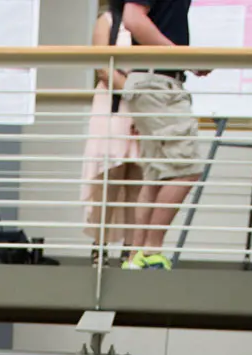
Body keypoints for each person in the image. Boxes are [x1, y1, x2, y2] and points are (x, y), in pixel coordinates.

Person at [118, 0, 206, 271]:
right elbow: (132, 17)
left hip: (154, 80)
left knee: (156, 175)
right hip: (157, 82)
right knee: (186, 169)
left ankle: (135, 257)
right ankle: (151, 251)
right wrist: (182, 56)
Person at [81, 5, 141, 264]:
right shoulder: (107, 20)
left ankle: (132, 250)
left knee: (138, 177)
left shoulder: (150, 21)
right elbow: (103, 68)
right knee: (110, 174)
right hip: (113, 103)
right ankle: (100, 248)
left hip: (142, 105)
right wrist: (136, 90)